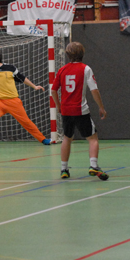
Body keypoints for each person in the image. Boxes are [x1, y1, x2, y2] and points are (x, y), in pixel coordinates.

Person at [50, 42, 108, 180]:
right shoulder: (85, 69)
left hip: (66, 110)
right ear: (82, 53)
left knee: (67, 137)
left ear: (68, 54)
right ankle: (93, 166)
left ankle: (64, 169)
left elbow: (53, 90)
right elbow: (94, 90)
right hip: (80, 110)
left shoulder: (62, 70)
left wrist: (58, 106)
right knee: (92, 138)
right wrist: (101, 107)